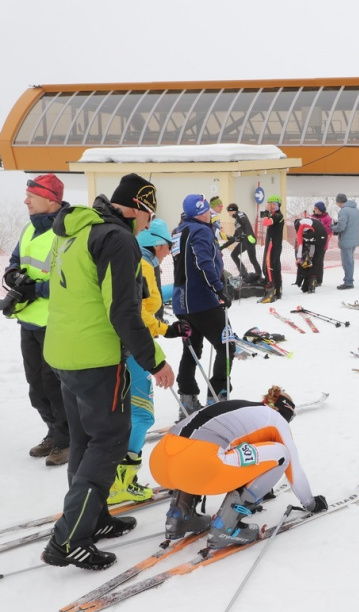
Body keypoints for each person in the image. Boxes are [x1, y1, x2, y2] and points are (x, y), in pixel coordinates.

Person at [41, 173, 175, 571]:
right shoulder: (118, 240)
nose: (149, 224)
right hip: (97, 357)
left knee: (85, 439)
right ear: (136, 208)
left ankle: (92, 518)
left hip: (63, 351)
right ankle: (69, 539)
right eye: (149, 215)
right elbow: (123, 311)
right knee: (110, 440)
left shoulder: (77, 230)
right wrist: (155, 360)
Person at [149, 386, 327, 548]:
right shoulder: (277, 420)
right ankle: (226, 527)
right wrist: (311, 504)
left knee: (209, 450)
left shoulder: (242, 408)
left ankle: (179, 516)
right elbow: (294, 470)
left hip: (160, 461)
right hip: (200, 464)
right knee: (282, 454)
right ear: (287, 413)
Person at [110, 219, 191, 504]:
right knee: (141, 415)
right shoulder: (143, 265)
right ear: (157, 244)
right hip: (133, 350)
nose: (169, 251)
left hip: (127, 346)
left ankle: (114, 479)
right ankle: (122, 482)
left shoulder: (145, 263)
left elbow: (146, 309)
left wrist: (166, 328)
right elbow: (136, 314)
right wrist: (163, 330)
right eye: (168, 246)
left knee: (126, 415)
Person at [3, 174, 70, 466]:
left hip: (54, 322)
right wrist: (13, 276)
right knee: (36, 386)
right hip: (29, 320)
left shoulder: (66, 232)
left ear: (50, 199)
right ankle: (54, 433)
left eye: (32, 195)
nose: (25, 200)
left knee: (54, 385)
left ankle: (66, 440)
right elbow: (16, 261)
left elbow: (71, 279)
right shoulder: (29, 230)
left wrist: (36, 289)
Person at [172, 194, 235, 412]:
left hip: (182, 301)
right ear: (202, 212)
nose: (210, 214)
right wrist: (219, 289)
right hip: (201, 300)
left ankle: (187, 398)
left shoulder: (178, 230)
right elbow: (203, 262)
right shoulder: (201, 231)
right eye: (208, 210)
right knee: (227, 345)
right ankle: (219, 395)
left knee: (192, 350)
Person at [220, 202, 262, 282]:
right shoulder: (236, 222)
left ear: (232, 210)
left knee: (252, 259)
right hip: (244, 242)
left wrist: (249, 235)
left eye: (229, 212)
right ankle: (243, 273)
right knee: (234, 254)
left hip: (250, 240)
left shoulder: (240, 214)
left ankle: (259, 275)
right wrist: (223, 246)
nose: (229, 214)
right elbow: (235, 237)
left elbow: (246, 223)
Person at [331, 193, 359, 290]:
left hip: (346, 240)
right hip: (354, 239)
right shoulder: (355, 210)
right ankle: (349, 280)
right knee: (350, 261)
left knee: (347, 262)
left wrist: (333, 227)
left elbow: (341, 227)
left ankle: (348, 282)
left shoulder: (344, 211)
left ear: (339, 202)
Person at [260, 195, 285, 302]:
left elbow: (265, 222)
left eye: (274, 204)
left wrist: (266, 211)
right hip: (270, 244)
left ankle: (275, 290)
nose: (272, 206)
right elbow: (264, 220)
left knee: (272, 266)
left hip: (275, 245)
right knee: (269, 266)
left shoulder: (278, 215)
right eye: (270, 204)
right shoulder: (272, 214)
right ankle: (275, 289)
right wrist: (267, 212)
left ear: (279, 205)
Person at [294, 215, 328, 294]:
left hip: (316, 236)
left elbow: (299, 243)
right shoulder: (310, 220)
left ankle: (307, 281)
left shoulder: (300, 225)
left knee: (307, 255)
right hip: (323, 236)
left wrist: (299, 257)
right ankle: (313, 282)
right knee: (317, 260)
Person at [311, 201, 334, 286]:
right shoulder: (312, 217)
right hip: (312, 242)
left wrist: (320, 224)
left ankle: (318, 280)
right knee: (312, 260)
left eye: (316, 208)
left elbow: (329, 230)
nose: (314, 210)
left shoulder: (328, 219)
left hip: (322, 243)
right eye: (314, 208)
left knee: (319, 261)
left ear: (320, 209)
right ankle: (311, 277)